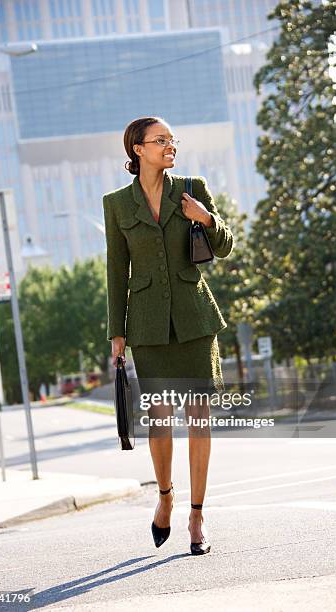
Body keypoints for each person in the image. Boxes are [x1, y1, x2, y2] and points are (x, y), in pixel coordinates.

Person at [103, 116, 234, 555]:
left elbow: (225, 244)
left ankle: (197, 515)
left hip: (196, 321)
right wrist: (116, 333)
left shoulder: (192, 188)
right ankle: (166, 497)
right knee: (161, 421)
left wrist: (206, 218)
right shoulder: (118, 204)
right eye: (161, 140)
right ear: (138, 149)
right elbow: (116, 270)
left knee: (199, 417)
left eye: (172, 140)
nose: (170, 146)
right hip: (147, 326)